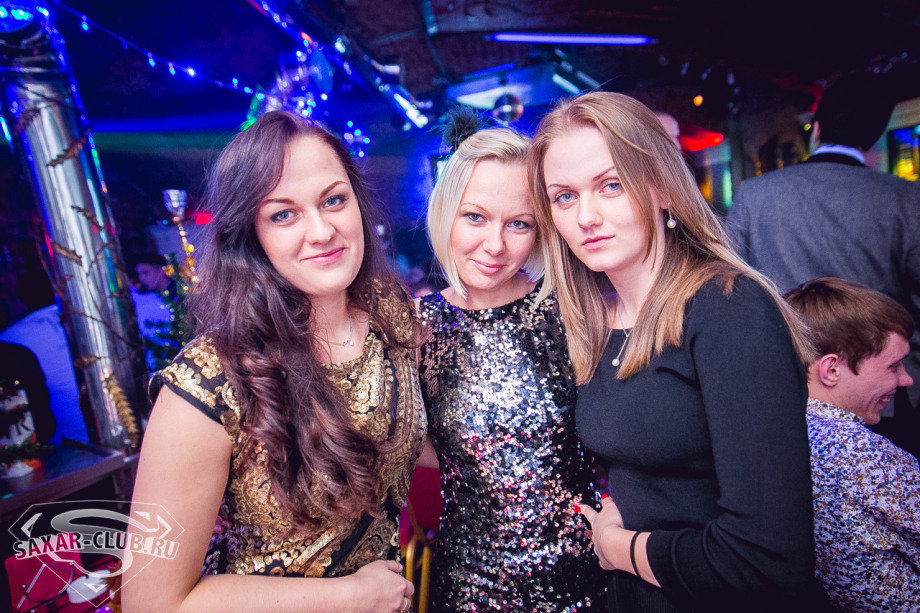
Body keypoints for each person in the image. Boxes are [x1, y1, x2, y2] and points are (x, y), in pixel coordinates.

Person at [529, 91, 821, 612]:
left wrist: (621, 548)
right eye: (565, 197)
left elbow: (768, 560)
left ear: (662, 186)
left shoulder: (728, 308)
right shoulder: (597, 322)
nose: (586, 216)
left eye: (611, 185)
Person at [122, 111, 424, 613]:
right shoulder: (209, 383)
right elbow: (151, 603)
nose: (322, 231)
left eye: (334, 200)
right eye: (283, 215)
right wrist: (350, 597)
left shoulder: (388, 315)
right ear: (249, 236)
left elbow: (412, 432)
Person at [417, 123, 604, 611]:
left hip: (585, 583)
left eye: (518, 224)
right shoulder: (417, 329)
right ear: (445, 212)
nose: (495, 245)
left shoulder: (571, 311)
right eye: (475, 217)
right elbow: (410, 446)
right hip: (470, 590)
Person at [726, 71, 920, 458]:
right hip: (881, 390)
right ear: (875, 135)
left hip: (789, 384)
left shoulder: (755, 194)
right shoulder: (904, 198)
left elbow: (731, 287)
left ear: (816, 129)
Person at [785, 277, 919, 612]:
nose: (906, 380)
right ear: (831, 370)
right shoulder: (858, 451)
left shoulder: (781, 432)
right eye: (893, 366)